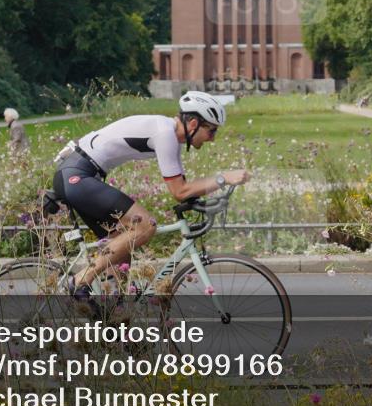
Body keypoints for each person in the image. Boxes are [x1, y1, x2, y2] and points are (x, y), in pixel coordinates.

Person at [48, 91, 250, 307]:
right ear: (193, 124)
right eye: (211, 130)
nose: (213, 138)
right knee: (146, 225)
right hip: (77, 177)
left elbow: (184, 187)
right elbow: (180, 191)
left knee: (120, 253)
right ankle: (81, 279)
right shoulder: (165, 134)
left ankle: (113, 319)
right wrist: (223, 178)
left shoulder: (169, 136)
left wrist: (205, 200)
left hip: (79, 176)